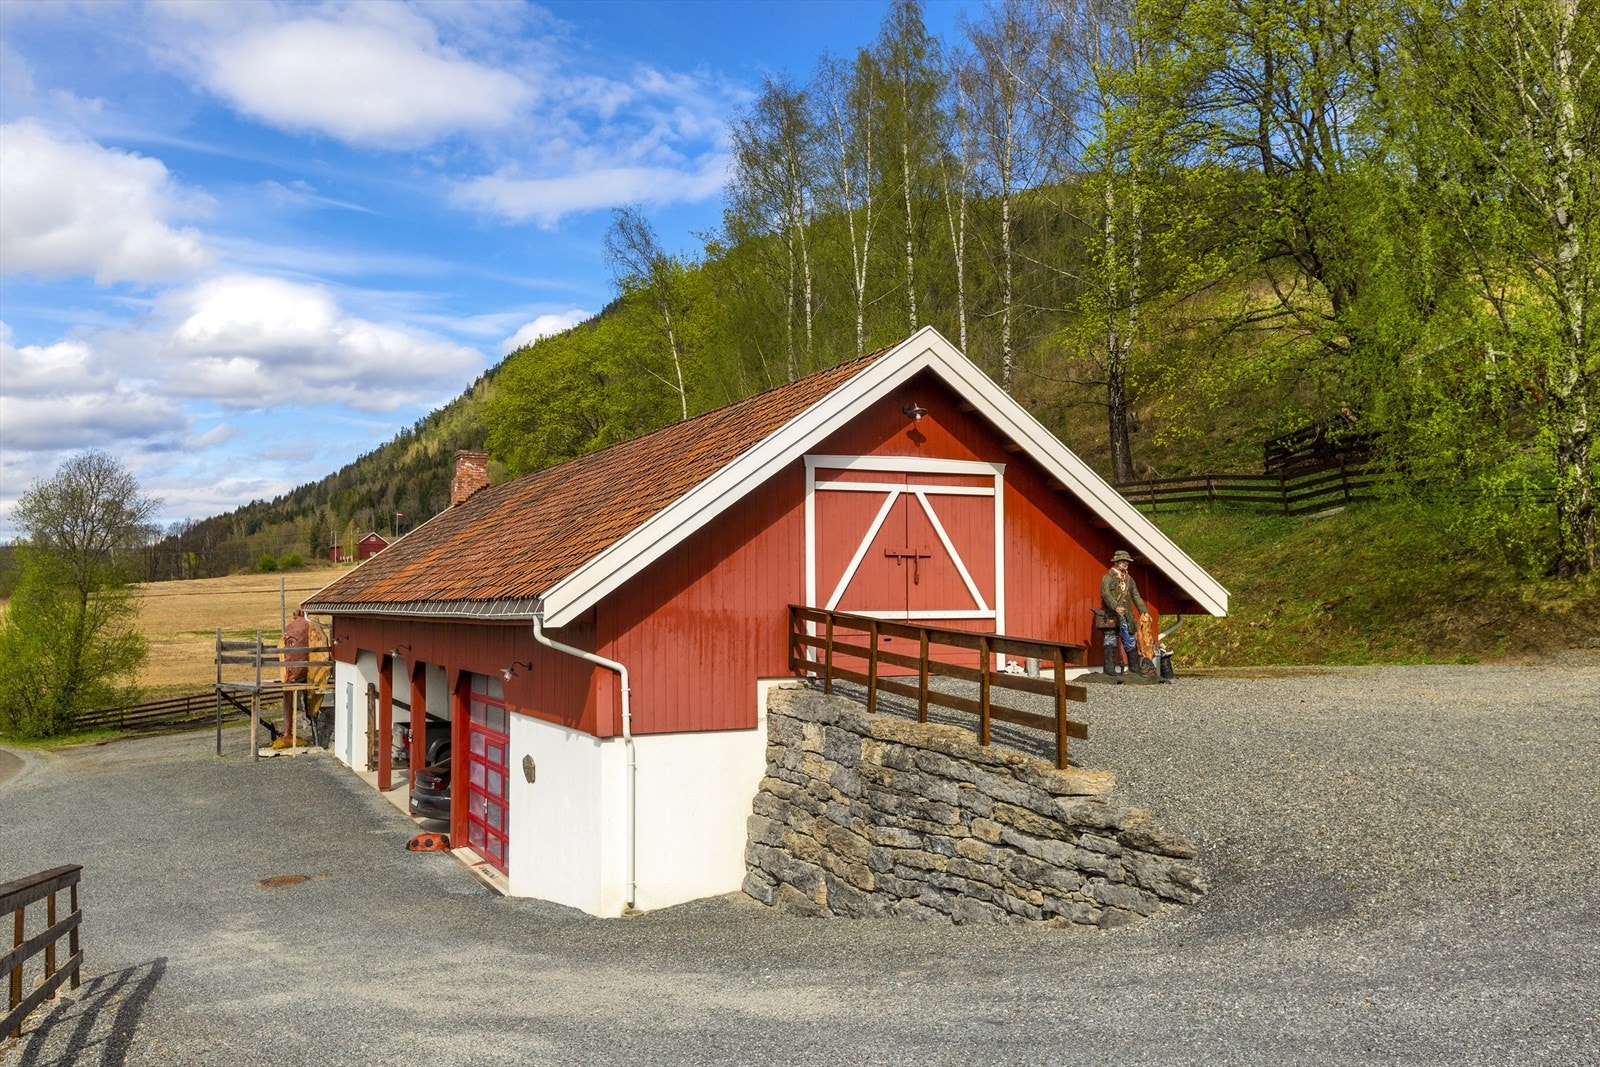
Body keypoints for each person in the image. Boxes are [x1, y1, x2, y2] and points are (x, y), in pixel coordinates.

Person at [1100, 549, 1148, 674]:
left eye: (1127, 561)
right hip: (1111, 615)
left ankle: (1134, 668)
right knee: (1110, 639)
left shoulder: (1129, 579)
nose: (1125, 563)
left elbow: (1135, 595)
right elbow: (1106, 594)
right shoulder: (1108, 577)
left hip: (1126, 615)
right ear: (1116, 562)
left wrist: (1144, 611)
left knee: (1130, 640)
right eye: (1122, 561)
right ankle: (1109, 670)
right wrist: (1115, 606)